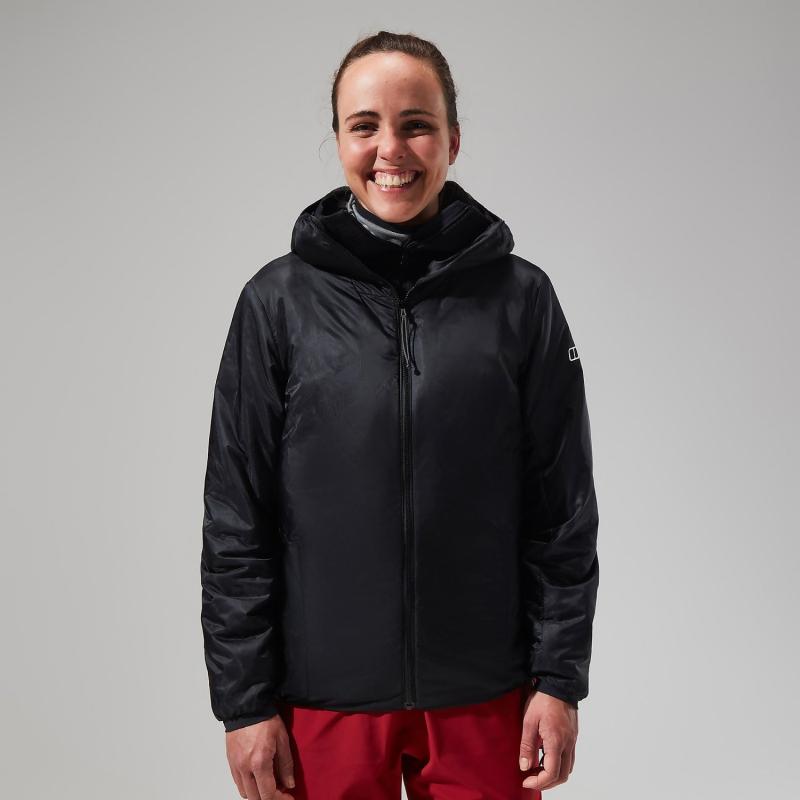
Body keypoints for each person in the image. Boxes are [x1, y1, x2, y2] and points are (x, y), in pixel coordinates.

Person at [200, 30, 599, 800]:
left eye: (416, 124)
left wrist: (558, 681)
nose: (391, 149)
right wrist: (244, 703)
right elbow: (236, 519)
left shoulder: (521, 300)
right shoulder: (277, 303)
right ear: (339, 140)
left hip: (488, 698)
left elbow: (562, 513)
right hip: (324, 703)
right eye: (365, 125)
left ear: (452, 139)